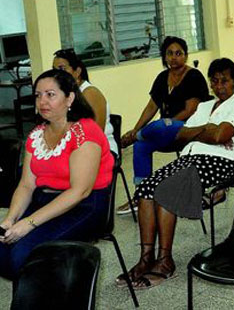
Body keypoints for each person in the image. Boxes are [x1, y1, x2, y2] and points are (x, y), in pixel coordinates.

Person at [115, 58, 234, 290]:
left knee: (167, 189)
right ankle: (146, 257)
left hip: (221, 162)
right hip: (190, 158)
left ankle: (165, 260)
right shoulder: (204, 107)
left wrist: (201, 132)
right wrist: (207, 130)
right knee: (146, 187)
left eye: (225, 81)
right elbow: (180, 135)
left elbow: (220, 136)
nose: (219, 87)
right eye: (215, 82)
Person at [0, 69, 113, 279]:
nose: (42, 101)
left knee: (23, 255)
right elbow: (26, 185)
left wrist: (29, 223)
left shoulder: (85, 131)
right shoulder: (37, 134)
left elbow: (80, 191)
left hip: (84, 206)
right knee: (3, 251)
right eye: (38, 95)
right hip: (44, 201)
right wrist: (10, 219)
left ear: (69, 97)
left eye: (50, 94)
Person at [117, 36, 209, 215]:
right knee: (141, 145)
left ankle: (135, 136)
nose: (174, 58)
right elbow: (152, 106)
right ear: (164, 57)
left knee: (161, 125)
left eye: (178, 53)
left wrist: (169, 123)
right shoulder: (162, 78)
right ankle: (141, 196)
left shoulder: (193, 76)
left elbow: (191, 109)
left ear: (186, 55)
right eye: (170, 54)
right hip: (165, 133)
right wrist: (136, 128)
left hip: (187, 130)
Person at [53, 48, 117, 158]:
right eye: (54, 70)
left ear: (77, 72)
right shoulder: (66, 93)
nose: (57, 74)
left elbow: (95, 135)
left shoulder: (90, 93)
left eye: (62, 69)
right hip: (75, 147)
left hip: (100, 150)